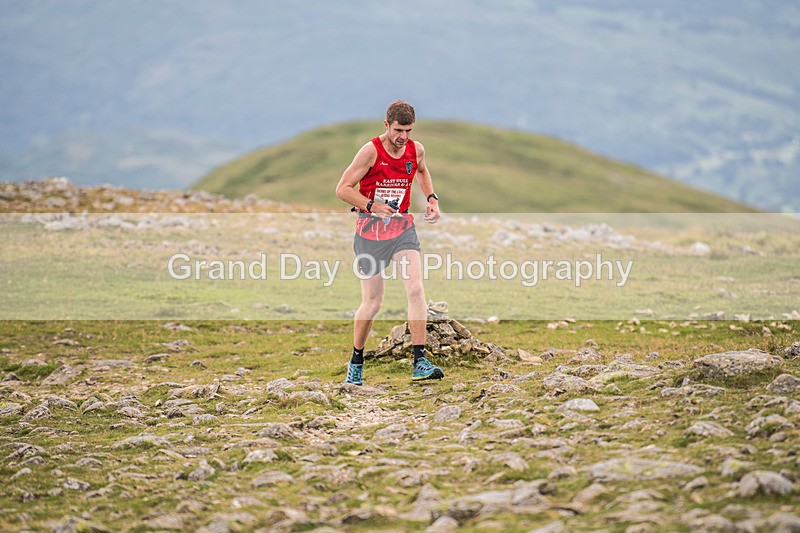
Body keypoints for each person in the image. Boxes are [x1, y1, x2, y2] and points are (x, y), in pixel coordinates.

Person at [335, 99, 443, 385]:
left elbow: (421, 170)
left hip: (402, 229)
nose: (403, 137)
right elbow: (342, 189)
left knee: (416, 288)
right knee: (372, 303)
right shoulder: (370, 151)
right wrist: (371, 206)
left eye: (408, 130)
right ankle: (356, 360)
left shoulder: (415, 149)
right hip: (369, 233)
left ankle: (420, 360)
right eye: (398, 130)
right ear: (386, 125)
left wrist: (431, 199)